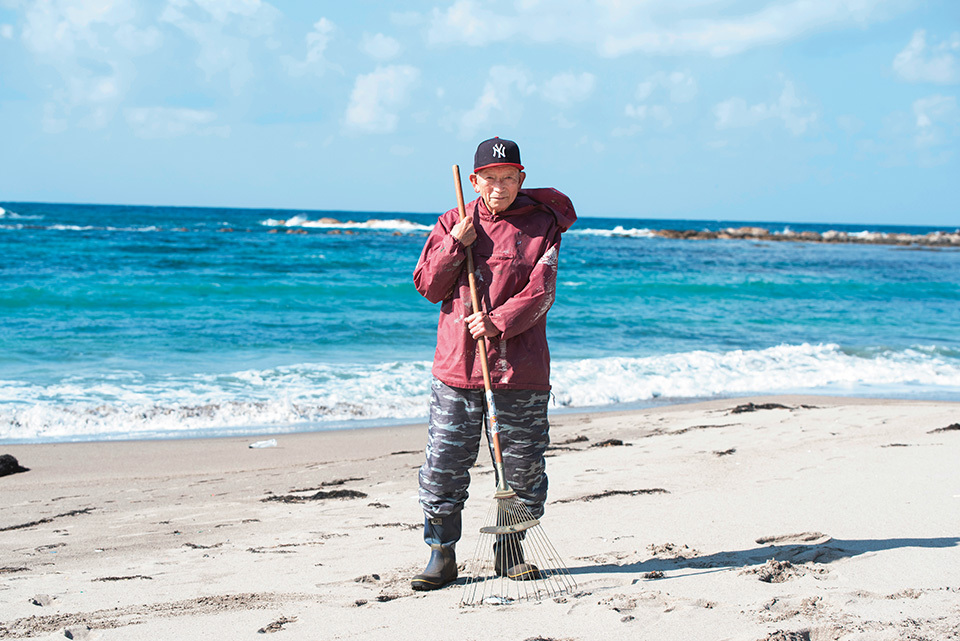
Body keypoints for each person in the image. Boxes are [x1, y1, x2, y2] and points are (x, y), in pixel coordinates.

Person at [410, 137, 576, 591]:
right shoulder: (453, 220)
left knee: (521, 467)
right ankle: (441, 555)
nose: (499, 187)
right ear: (474, 180)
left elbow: (542, 289)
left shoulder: (543, 225)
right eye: (490, 178)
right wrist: (453, 245)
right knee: (444, 464)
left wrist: (498, 321)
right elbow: (426, 285)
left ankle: (510, 549)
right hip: (457, 368)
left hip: (519, 370)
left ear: (522, 178)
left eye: (508, 178)